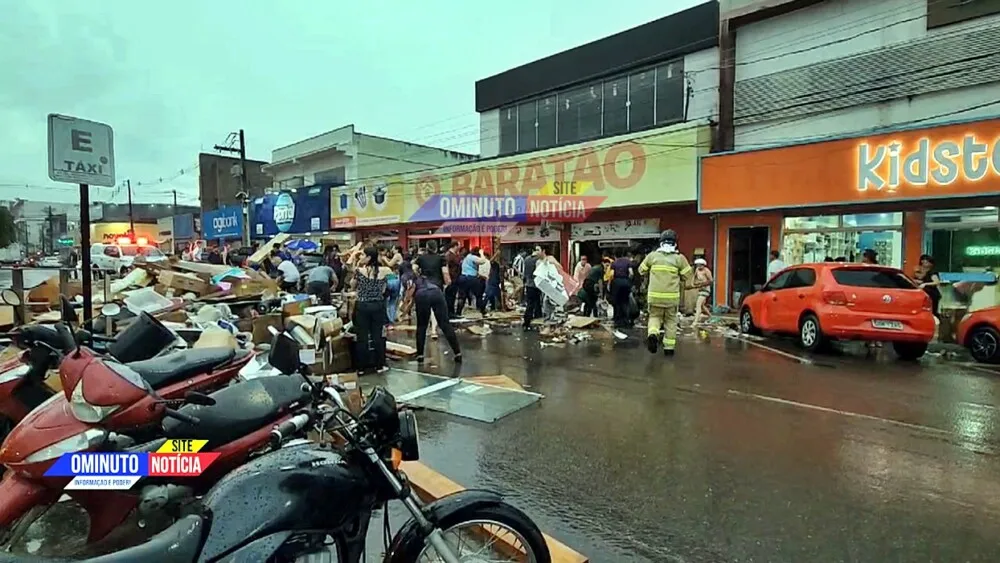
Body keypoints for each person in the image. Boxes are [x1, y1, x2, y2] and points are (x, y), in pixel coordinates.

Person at [638, 229, 693, 357]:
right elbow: (687, 275)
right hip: (671, 299)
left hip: (654, 297)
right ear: (675, 243)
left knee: (654, 318)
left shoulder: (652, 256)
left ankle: (653, 334)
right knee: (670, 322)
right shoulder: (679, 258)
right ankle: (669, 348)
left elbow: (641, 270)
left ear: (661, 242)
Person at [412, 240, 462, 363]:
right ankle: (457, 353)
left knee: (422, 325)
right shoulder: (441, 259)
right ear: (436, 248)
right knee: (445, 323)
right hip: (436, 292)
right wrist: (446, 283)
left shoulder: (420, 258)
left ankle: (420, 355)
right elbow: (446, 275)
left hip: (422, 291)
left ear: (427, 247)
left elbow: (414, 268)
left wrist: (419, 277)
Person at [350, 247, 391, 375]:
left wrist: (356, 264)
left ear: (368, 257)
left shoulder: (359, 271)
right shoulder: (385, 271)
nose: (361, 257)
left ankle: (361, 368)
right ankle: (379, 365)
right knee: (377, 335)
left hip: (362, 305)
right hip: (378, 305)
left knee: (362, 337)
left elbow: (352, 285)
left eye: (362, 255)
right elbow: (384, 289)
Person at [458, 247, 488, 316]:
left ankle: (458, 313)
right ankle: (483, 311)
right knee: (479, 295)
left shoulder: (466, 258)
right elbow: (483, 261)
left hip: (463, 277)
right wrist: (482, 253)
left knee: (462, 296)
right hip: (471, 278)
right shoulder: (472, 257)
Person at [610, 250, 633, 328]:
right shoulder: (628, 261)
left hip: (617, 283)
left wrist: (611, 284)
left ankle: (617, 320)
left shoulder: (614, 263)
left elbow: (612, 274)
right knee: (625, 301)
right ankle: (626, 320)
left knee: (617, 302)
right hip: (626, 283)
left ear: (615, 256)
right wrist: (628, 281)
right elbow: (631, 273)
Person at [915, 254, 943, 318]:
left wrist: (925, 284)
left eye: (926, 262)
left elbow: (936, 282)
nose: (924, 264)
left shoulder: (932, 272)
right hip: (926, 294)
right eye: (922, 263)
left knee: (933, 311)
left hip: (932, 294)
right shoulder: (924, 272)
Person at [521, 246, 543, 330]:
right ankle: (537, 320)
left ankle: (527, 321)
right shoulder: (538, 260)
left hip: (528, 284)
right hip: (536, 285)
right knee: (536, 303)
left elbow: (524, 272)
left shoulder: (526, 259)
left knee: (530, 304)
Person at [382, 245, 403, 325]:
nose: (392, 250)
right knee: (393, 301)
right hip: (395, 277)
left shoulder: (397, 255)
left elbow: (390, 264)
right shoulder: (398, 256)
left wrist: (384, 259)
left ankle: (390, 318)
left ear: (397, 249)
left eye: (393, 248)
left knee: (390, 301)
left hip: (394, 277)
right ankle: (392, 317)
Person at [691, 258, 714, 327]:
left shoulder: (706, 271)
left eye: (701, 265)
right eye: (698, 265)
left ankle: (695, 322)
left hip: (705, 290)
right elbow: (694, 277)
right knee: (702, 305)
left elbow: (711, 281)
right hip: (700, 289)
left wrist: (703, 284)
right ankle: (711, 317)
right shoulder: (697, 270)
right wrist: (693, 283)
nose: (699, 267)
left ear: (704, 265)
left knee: (698, 305)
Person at [444, 241, 462, 317]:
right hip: (451, 278)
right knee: (449, 297)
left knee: (453, 296)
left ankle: (451, 312)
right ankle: (449, 313)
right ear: (455, 246)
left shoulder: (455, 255)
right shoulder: (449, 255)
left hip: (456, 278)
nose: (460, 247)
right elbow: (446, 266)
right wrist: (447, 278)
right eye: (459, 245)